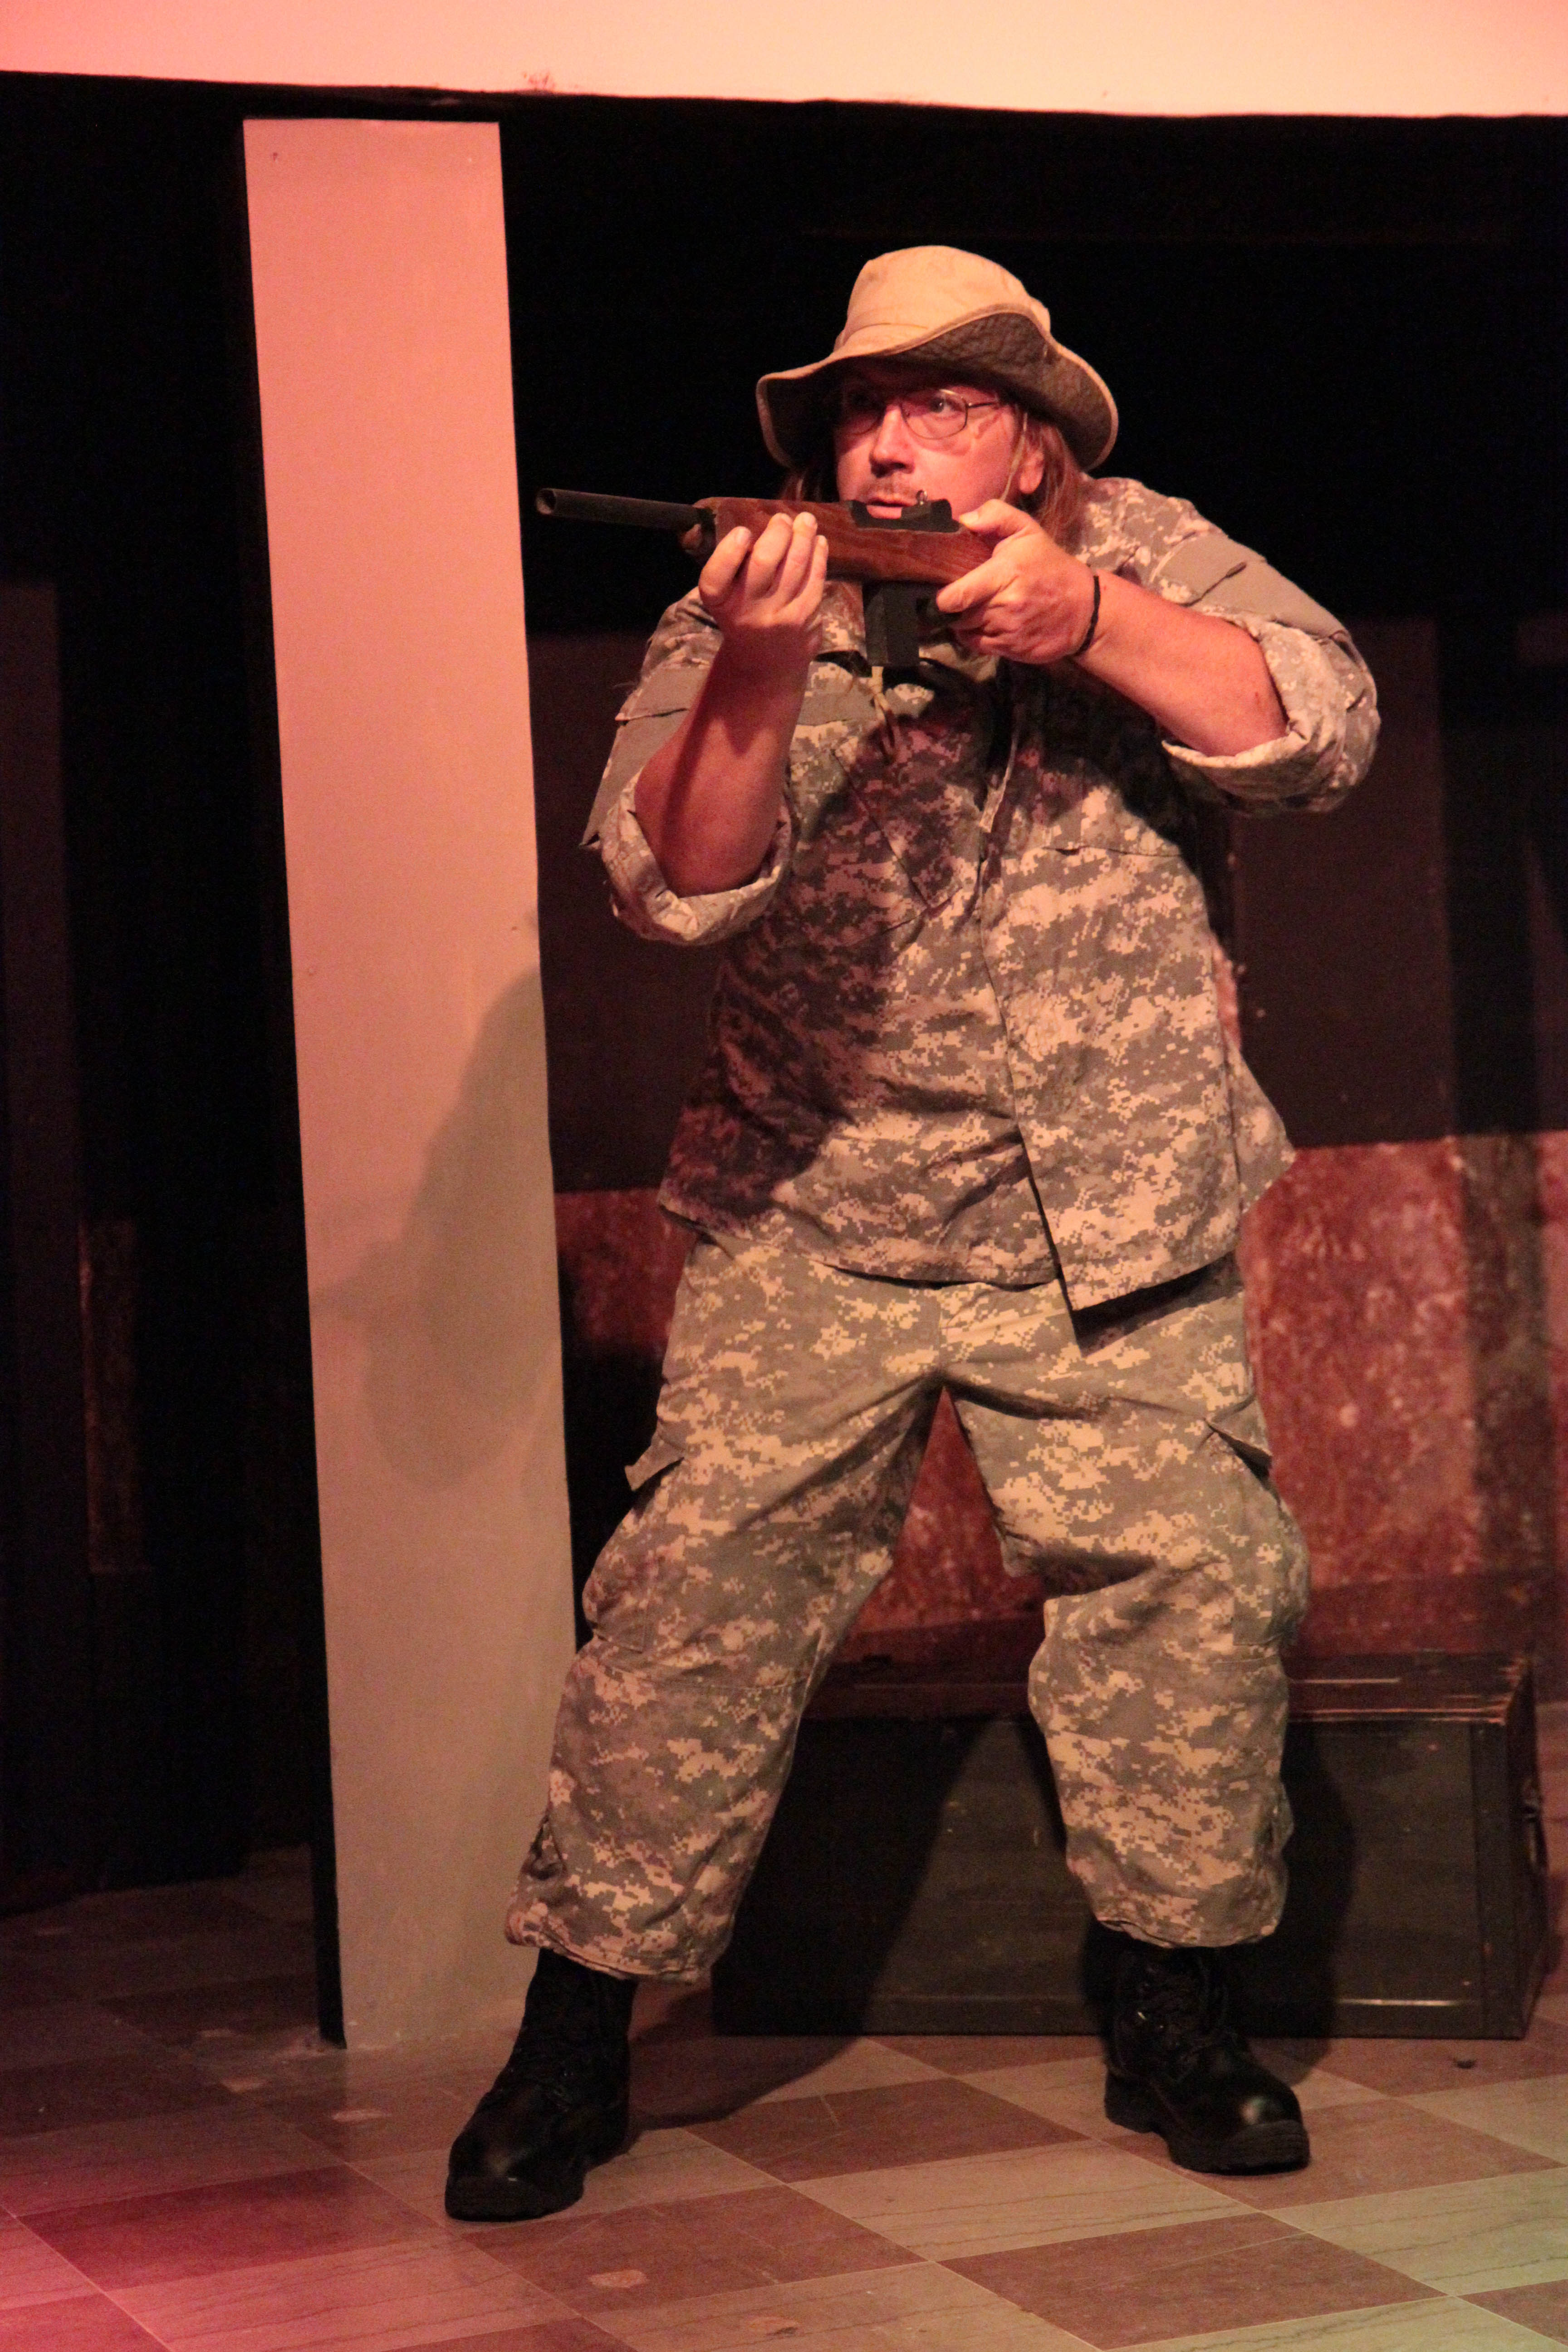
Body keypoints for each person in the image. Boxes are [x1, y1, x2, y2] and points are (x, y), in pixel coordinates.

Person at [446, 246, 1378, 2222]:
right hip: (818, 1207)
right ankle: (576, 2032)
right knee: (690, 1608)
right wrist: (766, 664)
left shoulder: (1149, 551)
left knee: (1195, 1589)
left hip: (1108, 1209)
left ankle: (1176, 2007)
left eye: (939, 404)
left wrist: (1088, 615)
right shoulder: (752, 592)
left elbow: (1321, 727)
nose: (884, 442)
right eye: (859, 411)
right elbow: (670, 883)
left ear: (1032, 444)